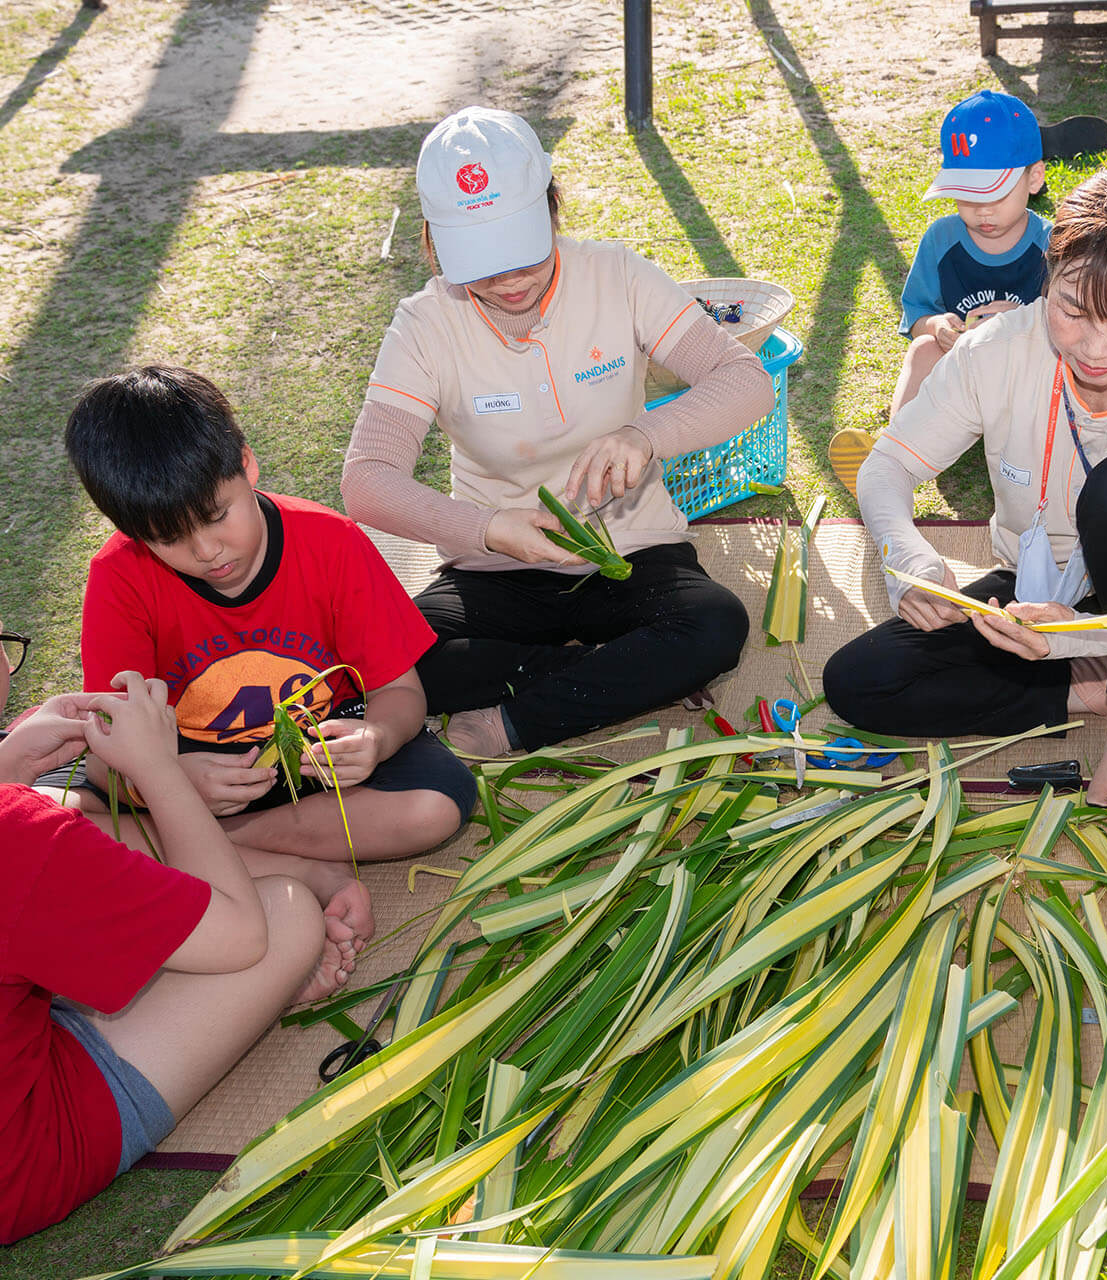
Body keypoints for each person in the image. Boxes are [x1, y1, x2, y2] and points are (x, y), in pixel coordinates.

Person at [342, 105, 773, 756]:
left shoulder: (617, 275)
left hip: (629, 553)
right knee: (398, 660)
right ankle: (626, 674)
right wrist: (490, 529)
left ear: (553, 208)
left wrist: (644, 436)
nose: (510, 280)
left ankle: (515, 722)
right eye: (483, 262)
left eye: (522, 251)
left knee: (715, 624)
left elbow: (746, 380)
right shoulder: (425, 324)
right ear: (435, 240)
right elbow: (366, 481)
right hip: (499, 566)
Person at [824, 170, 1107, 805]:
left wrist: (1084, 637)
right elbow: (887, 466)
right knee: (862, 681)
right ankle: (1088, 691)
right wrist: (908, 559)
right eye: (1073, 310)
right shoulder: (994, 352)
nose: (1097, 348)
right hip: (1037, 595)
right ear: (1047, 280)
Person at [0, 638, 338, 1243]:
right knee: (285, 913)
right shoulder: (17, 836)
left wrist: (6, 773)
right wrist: (157, 770)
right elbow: (241, 934)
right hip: (21, 1160)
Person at [66, 366, 475, 866]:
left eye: (217, 515)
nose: (208, 550)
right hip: (187, 764)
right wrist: (165, 781)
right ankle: (234, 844)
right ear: (131, 531)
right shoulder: (119, 575)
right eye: (169, 538)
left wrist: (378, 737)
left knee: (435, 805)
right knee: (48, 810)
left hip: (319, 755)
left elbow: (400, 692)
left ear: (247, 464)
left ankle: (209, 846)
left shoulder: (332, 541)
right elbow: (108, 757)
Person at [828, 90, 1053, 490]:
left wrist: (1019, 325)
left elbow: (1071, 325)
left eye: (995, 193)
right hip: (960, 378)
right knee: (922, 351)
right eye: (967, 195)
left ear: (1034, 178)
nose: (982, 210)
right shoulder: (941, 239)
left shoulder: (1053, 245)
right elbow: (916, 316)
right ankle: (889, 461)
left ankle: (1047, 458)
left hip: (1026, 379)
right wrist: (939, 327)